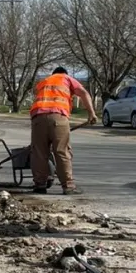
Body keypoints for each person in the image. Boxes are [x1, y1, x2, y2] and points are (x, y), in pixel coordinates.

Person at [29, 67, 97, 195]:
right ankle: (68, 186)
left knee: (39, 152)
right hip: (58, 117)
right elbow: (83, 93)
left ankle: (39, 185)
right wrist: (91, 113)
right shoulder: (66, 78)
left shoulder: (43, 82)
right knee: (61, 151)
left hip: (37, 118)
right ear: (64, 73)